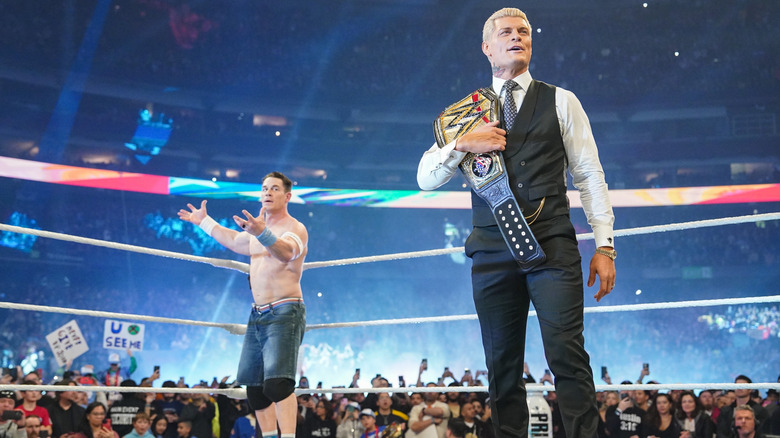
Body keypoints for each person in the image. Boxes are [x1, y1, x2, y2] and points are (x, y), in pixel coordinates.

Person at [416, 7, 615, 438]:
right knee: (501, 365)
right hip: (490, 250)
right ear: (487, 48)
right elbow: (424, 179)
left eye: (523, 31)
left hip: (552, 245)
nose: (516, 37)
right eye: (505, 32)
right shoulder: (463, 114)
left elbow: (589, 175)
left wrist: (605, 245)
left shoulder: (562, 100)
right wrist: (461, 144)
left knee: (567, 354)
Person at [178, 171, 308, 438]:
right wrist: (204, 222)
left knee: (278, 385)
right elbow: (235, 242)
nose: (267, 193)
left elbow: (285, 253)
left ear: (287, 196)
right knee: (255, 389)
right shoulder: (255, 229)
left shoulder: (294, 228)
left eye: (274, 188)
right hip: (258, 314)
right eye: (264, 188)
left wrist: (262, 233)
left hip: (285, 310)